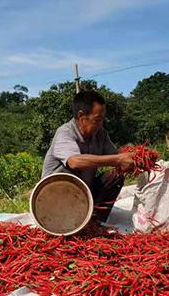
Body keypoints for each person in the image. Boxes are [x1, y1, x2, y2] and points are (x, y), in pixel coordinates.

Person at [42, 90, 134, 222]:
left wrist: (132, 159)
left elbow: (115, 156)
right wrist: (119, 159)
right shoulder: (65, 132)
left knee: (115, 176)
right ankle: (71, 220)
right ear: (81, 116)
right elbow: (74, 162)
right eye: (97, 119)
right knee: (71, 168)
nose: (101, 124)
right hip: (55, 198)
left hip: (83, 194)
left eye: (102, 119)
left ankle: (96, 222)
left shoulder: (100, 134)